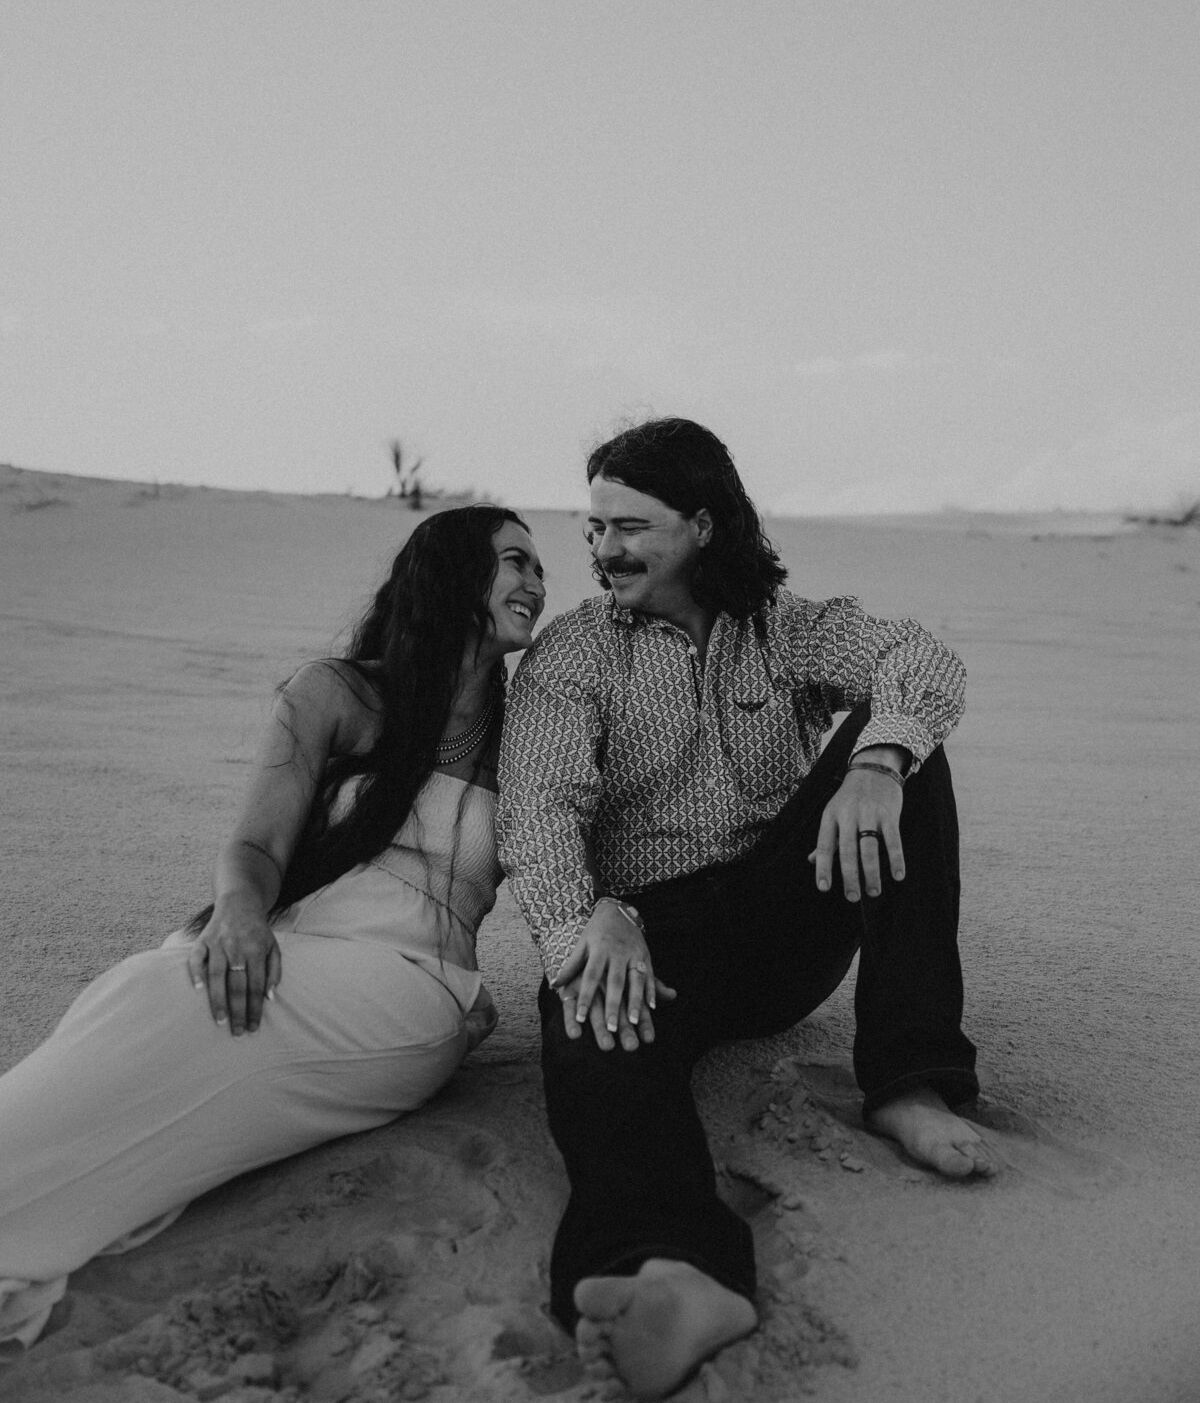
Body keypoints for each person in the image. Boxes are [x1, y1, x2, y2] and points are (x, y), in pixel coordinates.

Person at [497, 418, 993, 1401]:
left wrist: (878, 762)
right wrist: (580, 921)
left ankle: (907, 1079)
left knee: (902, 752)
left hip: (780, 923)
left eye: (630, 527)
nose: (603, 553)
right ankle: (670, 1267)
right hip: (648, 938)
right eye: (593, 529)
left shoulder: (784, 626)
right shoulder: (573, 657)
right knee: (584, 1009)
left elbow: (920, 657)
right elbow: (538, 810)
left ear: (703, 524)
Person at [0, 505, 546, 1350]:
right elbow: (257, 843)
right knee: (149, 990)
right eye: (513, 561)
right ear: (453, 575)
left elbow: (568, 873)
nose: (534, 582)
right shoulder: (338, 693)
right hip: (281, 937)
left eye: (538, 567)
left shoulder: (533, 739)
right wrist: (240, 913)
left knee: (196, 1022)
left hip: (406, 984)